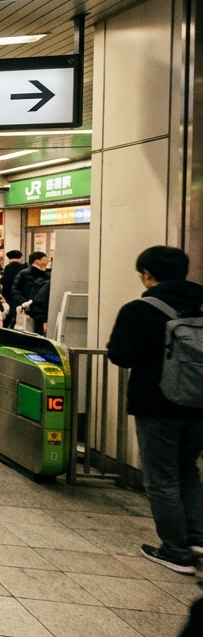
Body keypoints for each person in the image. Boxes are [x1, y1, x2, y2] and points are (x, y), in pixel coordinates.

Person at [107, 246, 203, 574]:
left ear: (147, 275)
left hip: (158, 404)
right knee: (188, 469)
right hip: (200, 405)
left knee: (161, 478)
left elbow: (120, 354)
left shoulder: (140, 309)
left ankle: (175, 551)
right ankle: (197, 538)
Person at [10, 251, 51, 331]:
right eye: (45, 260)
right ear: (37, 261)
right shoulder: (23, 273)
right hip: (25, 308)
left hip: (40, 310)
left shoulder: (47, 275)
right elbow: (15, 290)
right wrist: (23, 302)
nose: (47, 262)